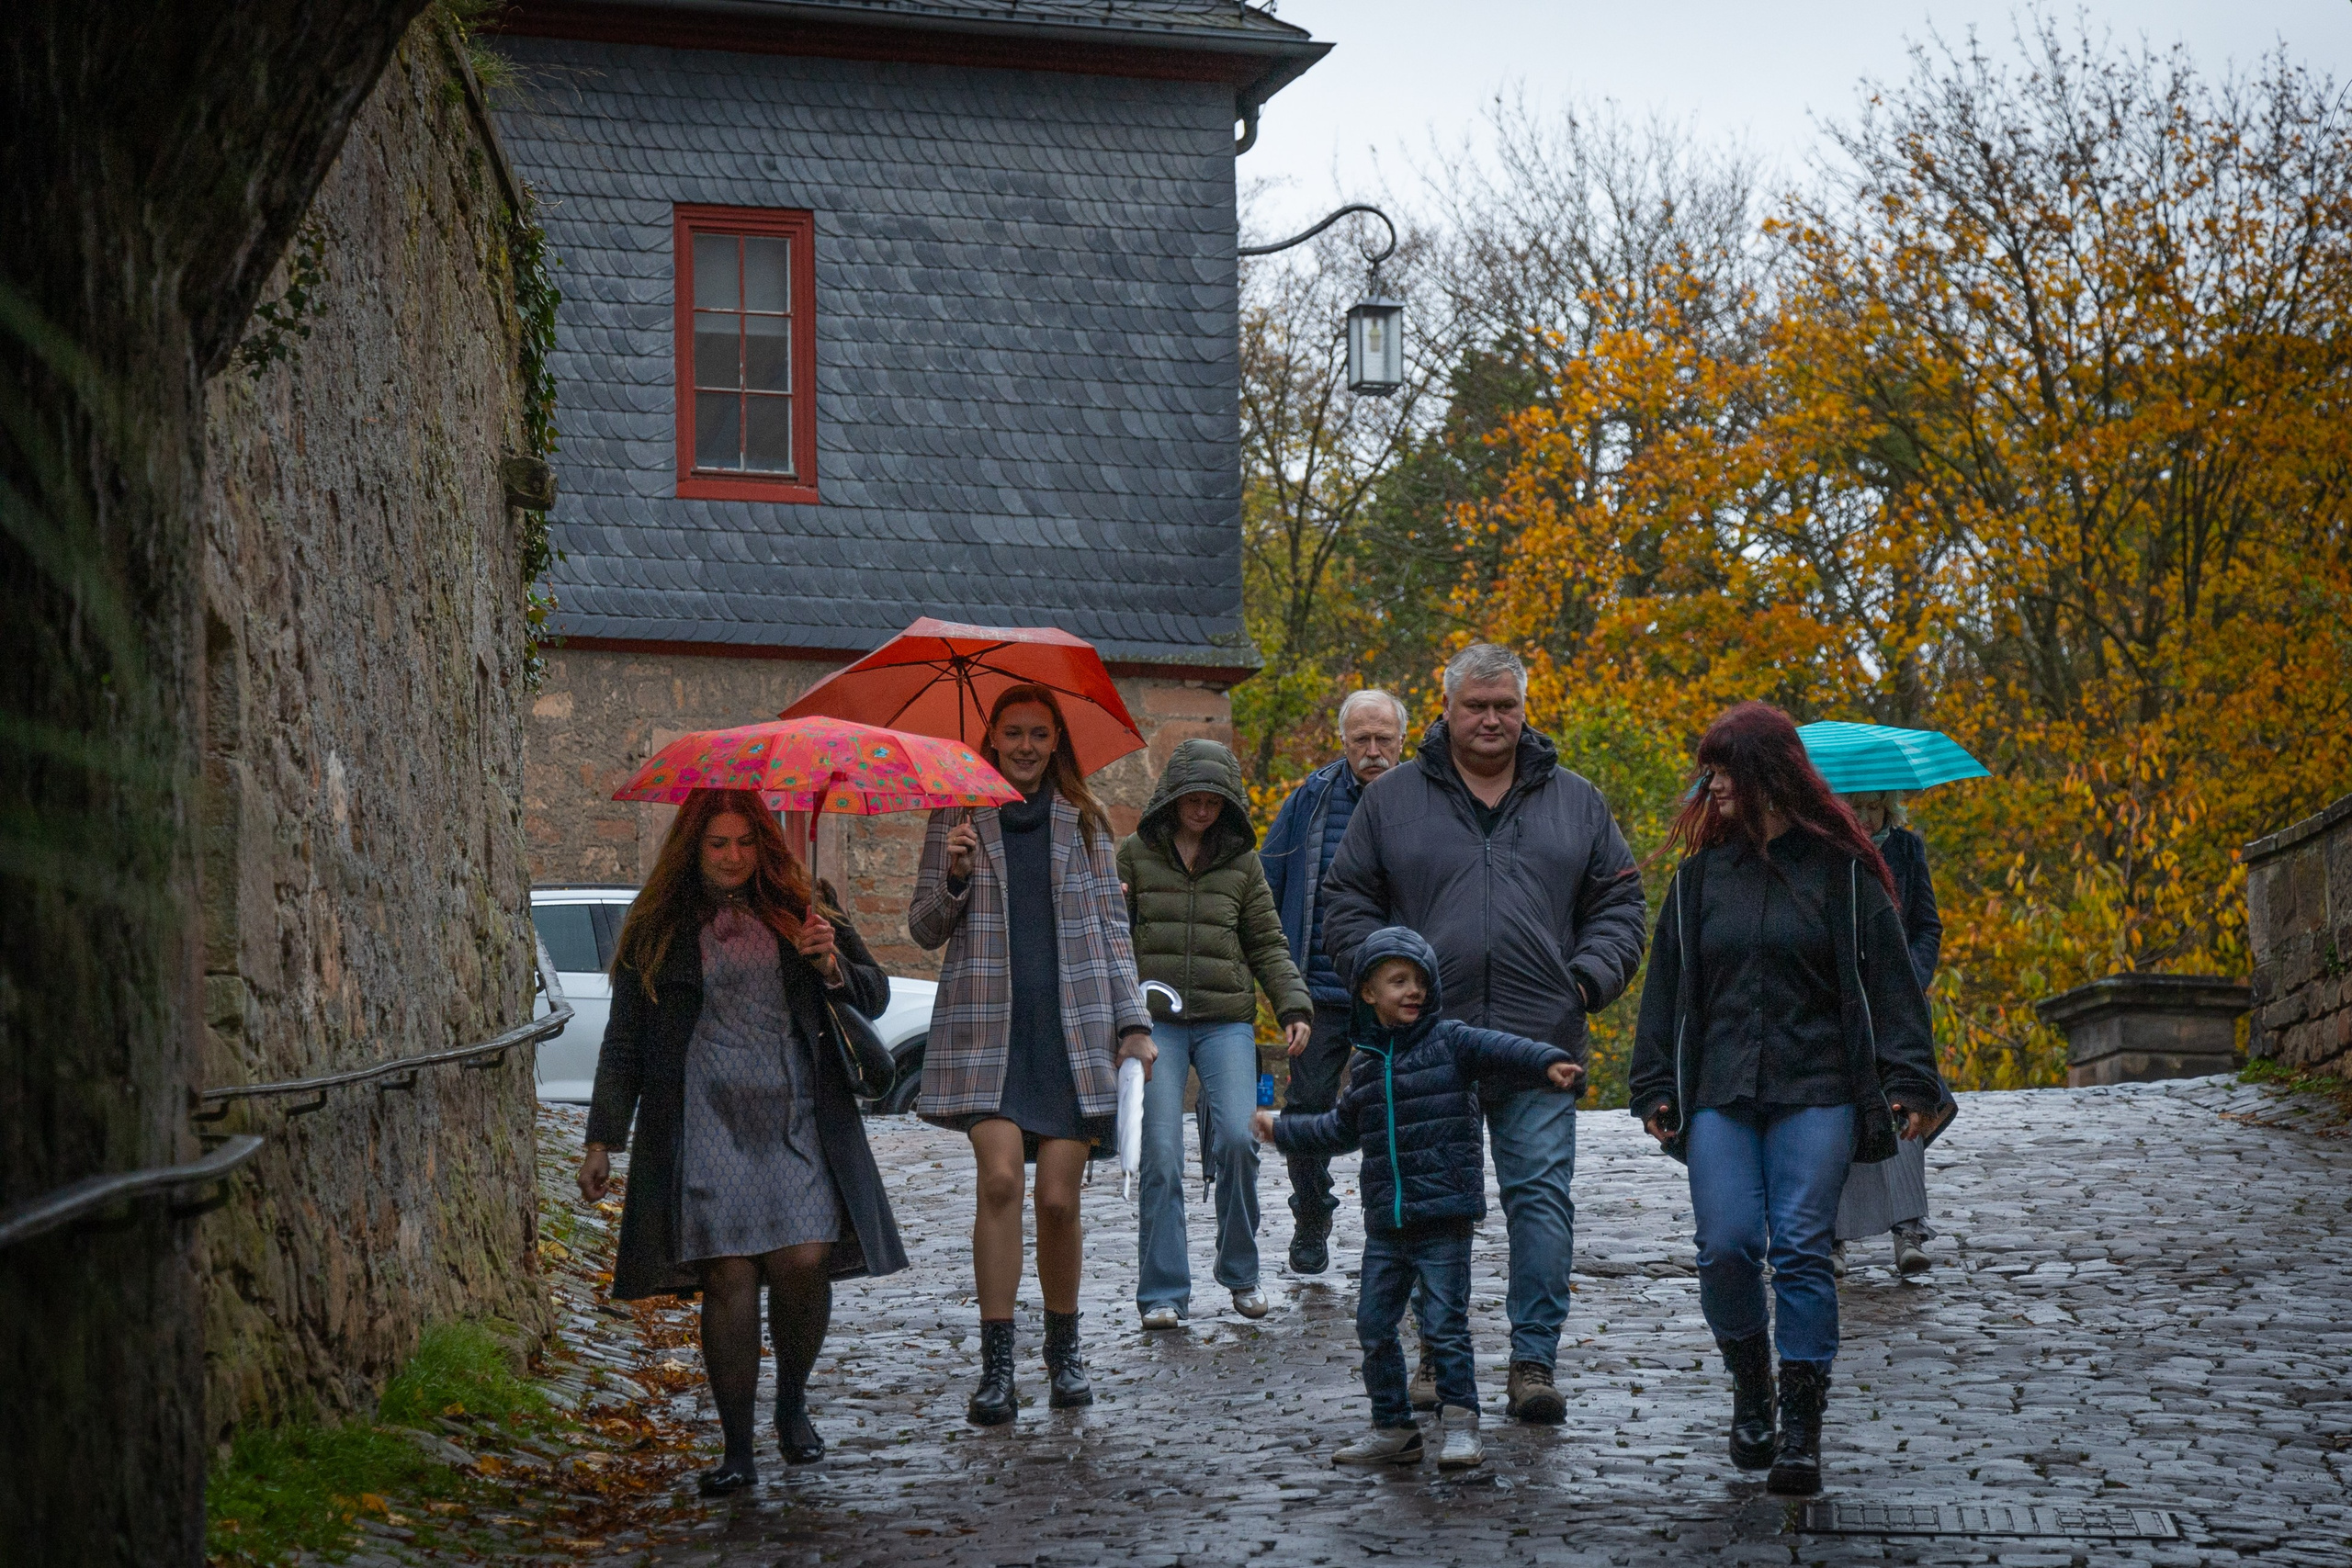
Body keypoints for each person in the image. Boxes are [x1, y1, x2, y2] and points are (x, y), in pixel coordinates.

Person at [1627, 701, 1952, 1496]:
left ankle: (1802, 1425)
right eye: (1708, 771)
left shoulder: (1846, 875)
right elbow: (1665, 989)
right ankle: (1752, 1385)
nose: (1711, 785)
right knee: (1727, 1244)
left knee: (1803, 1246)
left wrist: (1911, 1078)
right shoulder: (1699, 881)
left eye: (1723, 770)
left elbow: (1891, 984)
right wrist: (1654, 1083)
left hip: (1820, 1086)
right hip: (1721, 1090)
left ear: (1767, 774)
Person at [1320, 644, 1648, 1424]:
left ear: (1524, 708)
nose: (1493, 719)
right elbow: (1345, 902)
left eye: (1506, 705)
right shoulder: (1392, 801)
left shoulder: (1577, 801)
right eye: (1477, 706)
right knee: (1433, 1210)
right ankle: (1438, 1352)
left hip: (1540, 1041)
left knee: (1541, 1198)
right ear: (1448, 708)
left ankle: (1533, 1360)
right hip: (1427, 1049)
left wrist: (1584, 980)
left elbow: (1620, 904)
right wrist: (1384, 984)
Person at [578, 788, 908, 1495]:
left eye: (745, 842)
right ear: (693, 848)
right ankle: (736, 1449)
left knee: (803, 1259)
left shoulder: (806, 906)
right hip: (706, 1117)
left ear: (765, 843)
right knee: (728, 1274)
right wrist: (603, 1137)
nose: (733, 856)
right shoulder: (657, 925)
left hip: (795, 1111)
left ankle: (792, 1399)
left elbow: (875, 994)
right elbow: (625, 1042)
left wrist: (829, 964)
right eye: (718, 843)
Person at [908, 684, 1155, 1426]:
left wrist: (1133, 1023)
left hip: (1073, 1032)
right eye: (1012, 732)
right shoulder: (955, 816)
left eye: (1038, 734)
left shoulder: (1085, 820)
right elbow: (924, 926)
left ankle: (1064, 1352)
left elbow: (1112, 928)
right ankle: (997, 1369)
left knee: (1057, 1198)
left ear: (1056, 742)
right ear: (991, 737)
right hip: (989, 1031)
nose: (1024, 746)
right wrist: (953, 877)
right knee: (999, 1182)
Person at [1252, 927, 1585, 1471]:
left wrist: (1548, 1061)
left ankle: (1462, 1426)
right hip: (1387, 1223)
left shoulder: (1452, 1041)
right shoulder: (1364, 1065)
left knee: (1445, 1327)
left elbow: (1504, 1048)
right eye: (1398, 981)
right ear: (1367, 992)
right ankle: (1393, 1428)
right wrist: (1282, 1130)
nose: (1413, 991)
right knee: (1373, 1325)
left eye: (1420, 982)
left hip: (1444, 1217)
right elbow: (1339, 1129)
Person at [1119, 739, 1313, 1326]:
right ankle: (1162, 1293)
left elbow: (1267, 943)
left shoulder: (1242, 864)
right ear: (1171, 798)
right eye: (1193, 800)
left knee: (1237, 1139)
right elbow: (1108, 941)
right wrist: (1111, 908)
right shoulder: (1134, 855)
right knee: (1159, 1153)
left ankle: (1241, 1272)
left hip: (1225, 1020)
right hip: (1154, 1023)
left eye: (1213, 801)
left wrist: (1293, 1005)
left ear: (1227, 803)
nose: (1203, 810)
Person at [1259, 688, 1408, 1273]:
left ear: (1402, 740)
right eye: (1360, 740)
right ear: (1343, 742)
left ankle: (1397, 1227)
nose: (1373, 751)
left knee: (1400, 1112)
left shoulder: (1427, 800)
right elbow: (1266, 883)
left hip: (1400, 995)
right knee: (1305, 1111)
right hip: (1320, 989)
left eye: (1383, 739)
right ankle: (1312, 1211)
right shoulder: (1312, 799)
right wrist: (1276, 975)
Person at [1832, 790, 1945, 1278]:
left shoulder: (1906, 849)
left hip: (1896, 1006)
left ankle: (1908, 1230)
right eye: (1854, 806)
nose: (1864, 817)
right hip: (1840, 1008)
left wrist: (1910, 978)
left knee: (1905, 1109)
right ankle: (1829, 1236)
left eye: (1873, 807)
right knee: (1836, 1118)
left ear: (1888, 807)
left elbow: (1927, 926)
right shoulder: (1823, 849)